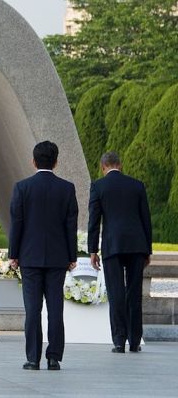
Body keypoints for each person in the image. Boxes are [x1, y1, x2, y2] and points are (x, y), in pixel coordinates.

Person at [9, 141, 78, 371]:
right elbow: (71, 225)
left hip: (29, 258)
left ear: (33, 161)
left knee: (33, 309)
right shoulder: (67, 189)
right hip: (58, 258)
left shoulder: (22, 188)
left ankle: (32, 358)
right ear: (56, 162)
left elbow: (16, 224)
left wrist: (13, 254)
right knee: (55, 308)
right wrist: (72, 256)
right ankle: (54, 357)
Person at [88, 151, 152, 353]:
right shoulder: (137, 185)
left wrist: (92, 250)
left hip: (112, 245)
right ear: (120, 165)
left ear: (102, 167)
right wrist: (148, 249)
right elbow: (146, 220)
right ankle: (134, 341)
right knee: (134, 293)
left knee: (116, 293)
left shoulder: (98, 186)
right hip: (136, 245)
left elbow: (94, 221)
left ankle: (119, 341)